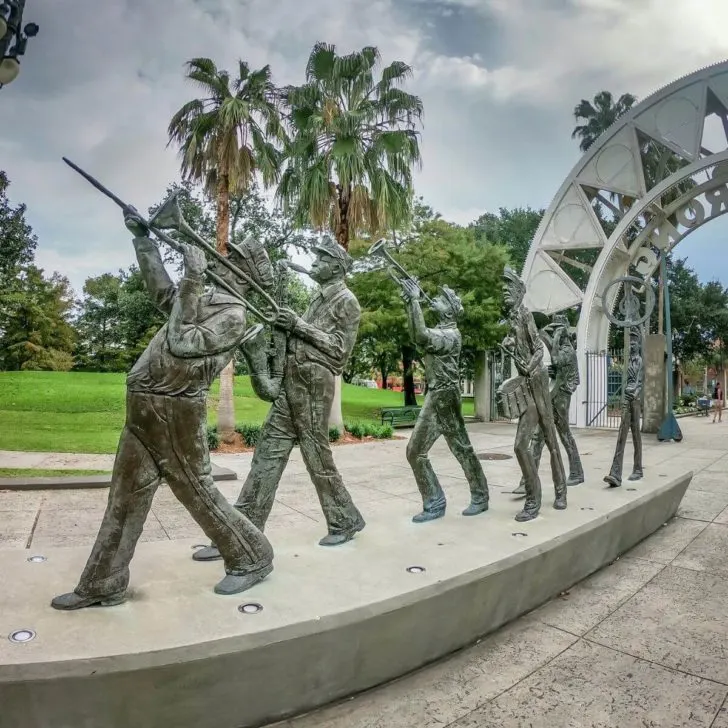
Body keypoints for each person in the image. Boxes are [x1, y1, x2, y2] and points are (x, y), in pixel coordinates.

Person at [51, 212, 275, 610]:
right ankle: (104, 581)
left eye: (235, 260)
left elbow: (183, 340)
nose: (224, 258)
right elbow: (164, 298)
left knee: (198, 492)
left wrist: (192, 278)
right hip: (143, 407)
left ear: (246, 275)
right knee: (125, 497)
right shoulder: (205, 299)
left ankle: (252, 555)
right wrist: (144, 242)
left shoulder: (233, 315)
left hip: (174, 412)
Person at [193, 236, 364, 562]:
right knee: (265, 459)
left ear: (336, 267)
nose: (313, 261)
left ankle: (344, 519)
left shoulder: (347, 301)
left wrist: (298, 325)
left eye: (320, 257)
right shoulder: (319, 298)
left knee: (317, 458)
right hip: (294, 385)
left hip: (314, 386)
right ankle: (241, 533)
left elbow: (340, 352)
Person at [399, 279, 489, 522]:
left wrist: (415, 301)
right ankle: (439, 501)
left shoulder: (450, 335)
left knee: (453, 449)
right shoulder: (443, 330)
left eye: (439, 300)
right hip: (438, 394)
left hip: (444, 397)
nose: (434, 301)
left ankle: (471, 497)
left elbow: (420, 336)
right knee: (423, 451)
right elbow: (418, 334)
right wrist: (411, 304)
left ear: (449, 309)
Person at [500, 267, 567, 522]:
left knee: (550, 439)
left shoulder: (525, 315)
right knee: (521, 445)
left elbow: (538, 349)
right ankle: (534, 496)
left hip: (537, 382)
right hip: (526, 386)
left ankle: (560, 491)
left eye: (509, 287)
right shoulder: (512, 318)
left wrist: (529, 366)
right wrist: (509, 342)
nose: (504, 291)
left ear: (519, 292)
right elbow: (516, 342)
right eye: (503, 288)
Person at [604, 329, 643, 487]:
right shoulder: (630, 361)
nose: (632, 345)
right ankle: (615, 473)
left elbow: (640, 382)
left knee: (635, 435)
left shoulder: (640, 361)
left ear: (639, 344)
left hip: (634, 399)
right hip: (627, 399)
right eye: (631, 342)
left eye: (634, 342)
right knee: (622, 433)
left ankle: (638, 469)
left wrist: (634, 393)